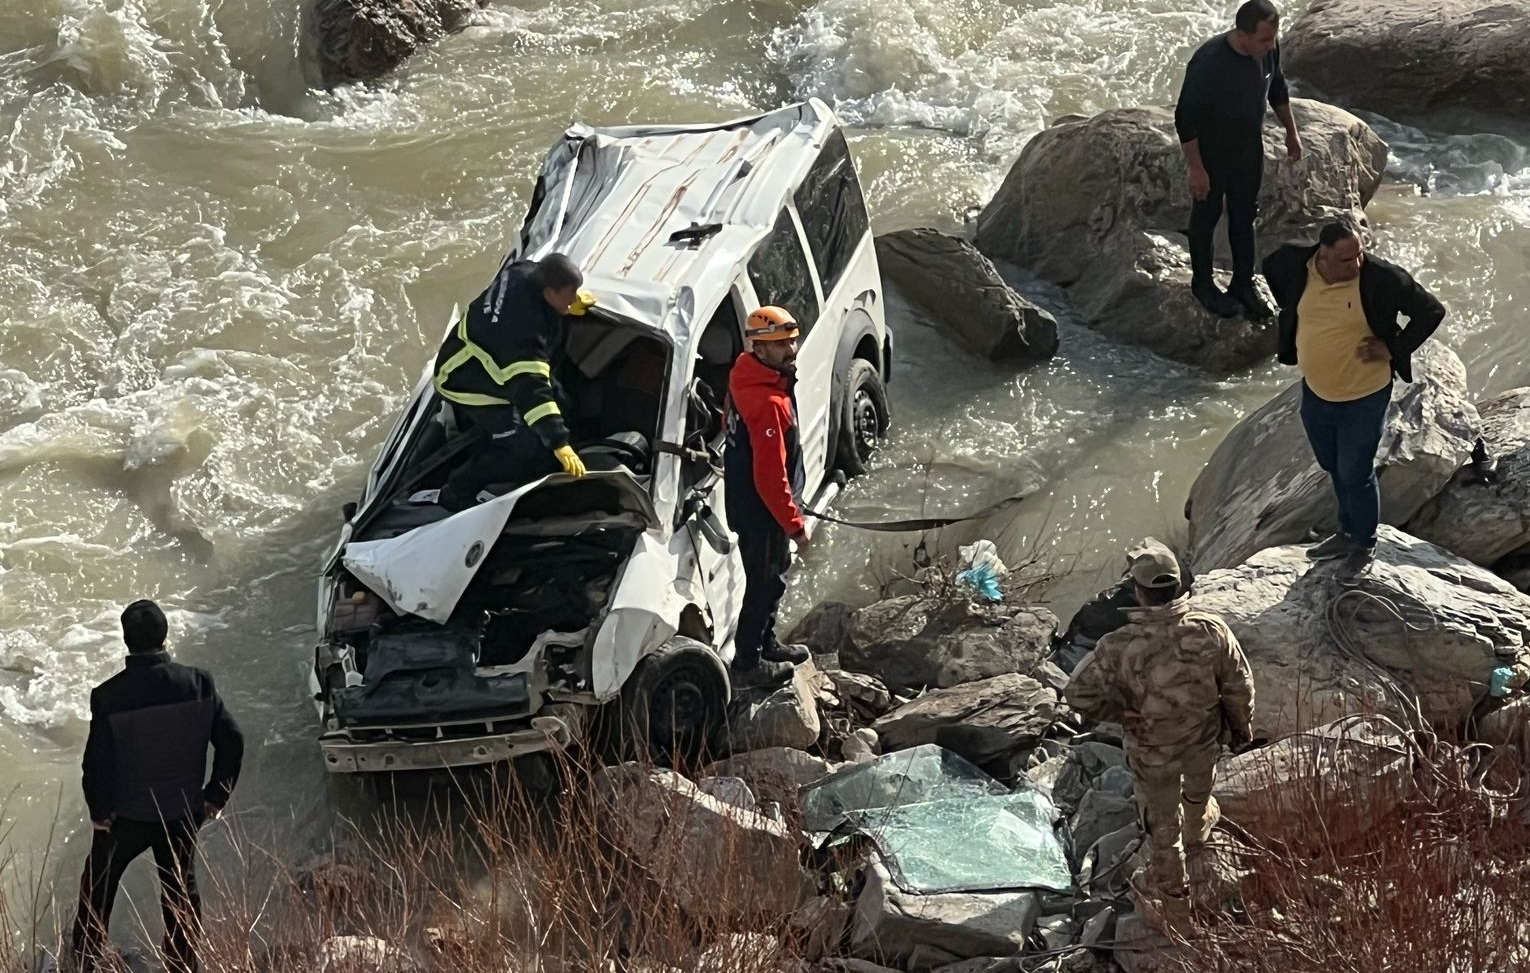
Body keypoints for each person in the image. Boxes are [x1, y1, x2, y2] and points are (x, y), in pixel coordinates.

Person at [1064, 540, 1254, 932]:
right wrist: (1241, 730)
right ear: (1180, 586)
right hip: (1203, 743)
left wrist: (1121, 712)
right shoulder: (1211, 630)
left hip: (1152, 755)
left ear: (1137, 592)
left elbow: (1076, 692)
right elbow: (1240, 686)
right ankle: (1199, 826)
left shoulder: (1117, 647)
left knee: (1163, 834)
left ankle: (1178, 916)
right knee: (1200, 792)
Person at [71, 600, 244, 973]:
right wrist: (215, 796)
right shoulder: (198, 683)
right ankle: (182, 966)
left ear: (125, 640)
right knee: (181, 893)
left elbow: (96, 763)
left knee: (97, 892)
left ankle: (84, 961)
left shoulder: (108, 696)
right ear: (165, 637)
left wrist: (99, 812)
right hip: (180, 813)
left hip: (123, 817)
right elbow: (232, 741)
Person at [1263, 218, 1446, 562]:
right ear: (1324, 255)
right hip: (1317, 393)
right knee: (1331, 465)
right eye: (1347, 259)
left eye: (1360, 254)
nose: (1357, 264)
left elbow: (1432, 311)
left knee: (1355, 472)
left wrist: (1394, 349)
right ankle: (1346, 531)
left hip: (1365, 396)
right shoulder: (1293, 263)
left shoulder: (1381, 277)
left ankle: (1363, 542)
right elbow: (1270, 270)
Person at [432, 252, 596, 511]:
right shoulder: (521, 338)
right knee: (524, 448)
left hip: (493, 361)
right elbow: (533, 393)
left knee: (563, 403)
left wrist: (568, 305)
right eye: (569, 294)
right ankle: (456, 491)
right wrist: (558, 444)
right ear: (550, 291)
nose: (573, 299)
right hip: (467, 381)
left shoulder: (525, 271)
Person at [1174, 0, 1300, 320]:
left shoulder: (1268, 48)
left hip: (1248, 147)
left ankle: (1242, 283)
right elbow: (1185, 118)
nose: (1271, 45)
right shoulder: (1210, 62)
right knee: (1208, 213)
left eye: (1273, 37)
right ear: (1242, 35)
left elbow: (1278, 88)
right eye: (1263, 39)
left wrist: (1291, 132)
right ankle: (1202, 283)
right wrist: (1196, 169)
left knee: (1245, 215)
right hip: (1212, 152)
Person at [724, 306, 814, 688]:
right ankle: (748, 662)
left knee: (773, 576)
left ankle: (766, 642)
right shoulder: (765, 403)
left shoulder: (748, 376)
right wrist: (795, 525)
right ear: (759, 348)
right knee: (762, 586)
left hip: (759, 506)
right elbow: (769, 475)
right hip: (761, 511)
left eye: (791, 340)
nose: (790, 348)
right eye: (779, 344)